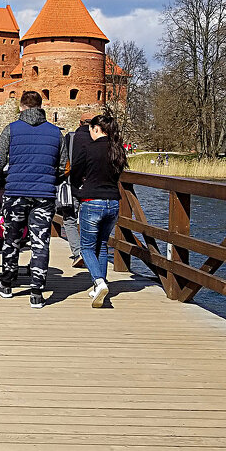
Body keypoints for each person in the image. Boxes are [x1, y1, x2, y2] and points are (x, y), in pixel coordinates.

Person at [0, 91, 65, 309]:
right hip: (44, 195)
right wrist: (51, 179)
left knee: (12, 238)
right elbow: (65, 167)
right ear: (41, 107)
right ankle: (37, 292)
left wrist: (3, 178)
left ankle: (6, 283)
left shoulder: (11, 129)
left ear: (21, 107)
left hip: (16, 193)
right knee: (40, 241)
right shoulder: (55, 133)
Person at [70, 113, 127, 308]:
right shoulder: (118, 150)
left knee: (86, 247)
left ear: (96, 129)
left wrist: (77, 188)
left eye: (91, 131)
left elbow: (76, 173)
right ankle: (99, 285)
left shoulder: (88, 148)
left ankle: (99, 282)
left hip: (92, 201)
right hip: (113, 202)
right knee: (102, 244)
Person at [59, 112, 95, 269]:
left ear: (80, 123)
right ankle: (91, 252)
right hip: (93, 187)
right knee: (92, 221)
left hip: (72, 185)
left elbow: (63, 159)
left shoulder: (71, 137)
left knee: (69, 219)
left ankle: (78, 251)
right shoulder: (99, 138)